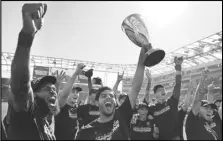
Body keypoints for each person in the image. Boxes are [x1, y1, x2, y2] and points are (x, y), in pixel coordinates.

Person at [7, 3, 58, 140]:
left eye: (54, 89)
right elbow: (22, 85)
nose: (53, 91)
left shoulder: (45, 121)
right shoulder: (28, 115)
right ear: (34, 95)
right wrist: (27, 35)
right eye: (47, 89)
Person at [75, 45, 146, 140]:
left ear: (115, 101)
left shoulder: (122, 115)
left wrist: (142, 57)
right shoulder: (85, 133)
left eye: (111, 96)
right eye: (103, 96)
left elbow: (135, 88)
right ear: (97, 102)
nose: (108, 97)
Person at [150, 56, 183, 140]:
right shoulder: (152, 109)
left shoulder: (172, 101)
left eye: (163, 89)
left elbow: (178, 85)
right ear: (155, 95)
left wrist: (178, 68)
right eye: (159, 90)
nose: (162, 90)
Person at [186, 70, 222, 140]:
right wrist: (202, 80)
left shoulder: (212, 123)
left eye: (211, 109)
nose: (210, 111)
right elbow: (197, 101)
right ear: (198, 109)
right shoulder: (193, 123)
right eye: (206, 107)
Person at [54, 64, 85, 140]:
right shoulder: (61, 105)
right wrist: (75, 74)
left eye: (77, 92)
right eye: (73, 92)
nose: (75, 94)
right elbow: (64, 95)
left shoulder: (77, 108)